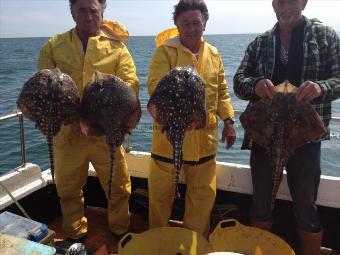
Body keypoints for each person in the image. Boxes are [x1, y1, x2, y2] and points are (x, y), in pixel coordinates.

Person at [233, 0, 340, 254]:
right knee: (261, 202)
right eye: (280, 1)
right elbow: (239, 81)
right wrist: (256, 84)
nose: (285, 6)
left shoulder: (324, 36)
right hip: (264, 136)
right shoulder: (260, 43)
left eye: (291, 0)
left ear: (303, 2)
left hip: (305, 138)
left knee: (306, 206)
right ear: (273, 5)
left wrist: (320, 87)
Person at [38, 0, 139, 241]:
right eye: (81, 9)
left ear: (102, 12)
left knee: (118, 185)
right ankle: (74, 231)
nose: (88, 15)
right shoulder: (54, 45)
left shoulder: (117, 48)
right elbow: (43, 83)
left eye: (93, 10)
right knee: (68, 187)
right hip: (67, 132)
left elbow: (131, 83)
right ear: (72, 12)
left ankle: (119, 228)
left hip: (106, 130)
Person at [147, 0, 236, 238]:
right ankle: (157, 241)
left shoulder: (214, 54)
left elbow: (222, 93)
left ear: (205, 23)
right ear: (176, 25)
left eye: (196, 22)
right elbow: (154, 85)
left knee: (202, 198)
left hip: (204, 142)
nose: (191, 28)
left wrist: (229, 121)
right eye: (185, 23)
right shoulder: (164, 52)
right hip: (168, 140)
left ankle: (194, 244)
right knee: (160, 195)